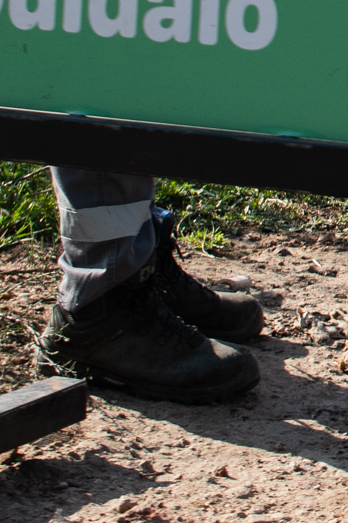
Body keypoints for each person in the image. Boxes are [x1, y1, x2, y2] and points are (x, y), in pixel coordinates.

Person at [31, 167, 266, 400]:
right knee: (102, 138)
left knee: (135, 138)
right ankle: (101, 308)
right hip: (100, 307)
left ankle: (139, 268)